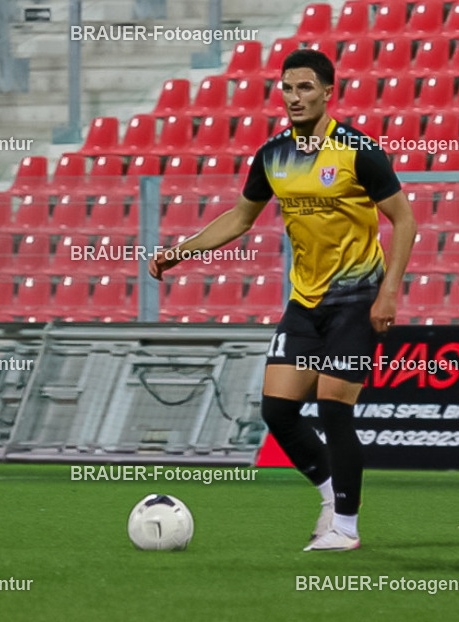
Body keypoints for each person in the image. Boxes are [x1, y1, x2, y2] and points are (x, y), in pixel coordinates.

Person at [148, 49, 417, 551]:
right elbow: (240, 217)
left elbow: (404, 219)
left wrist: (389, 292)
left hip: (357, 298)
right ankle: (329, 498)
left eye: (305, 88)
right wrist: (180, 251)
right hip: (305, 302)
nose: (295, 97)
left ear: (328, 92)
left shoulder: (357, 151)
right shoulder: (273, 155)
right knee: (278, 411)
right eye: (288, 88)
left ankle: (346, 529)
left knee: (333, 408)